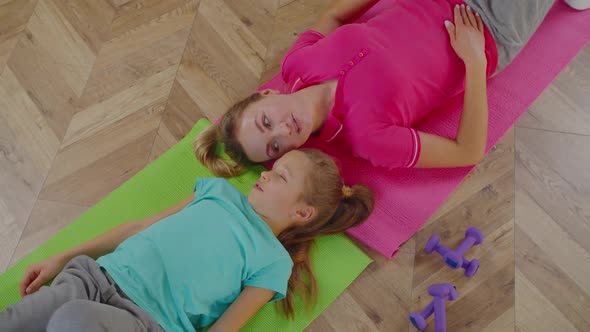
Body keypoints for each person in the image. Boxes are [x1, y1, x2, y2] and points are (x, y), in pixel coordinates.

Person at [194, 0, 590, 177]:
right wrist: (473, 62)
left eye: (266, 123)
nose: (282, 132)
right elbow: (467, 152)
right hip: (489, 27)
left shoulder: (296, 65)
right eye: (275, 147)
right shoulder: (368, 140)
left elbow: (332, 13)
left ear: (267, 95)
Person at [0, 149, 374, 332]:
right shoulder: (216, 191)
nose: (265, 174)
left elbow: (225, 328)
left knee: (72, 321)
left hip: (144, 320)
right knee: (15, 320)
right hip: (95, 278)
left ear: (302, 212)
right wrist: (61, 258)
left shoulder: (274, 262)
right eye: (273, 169)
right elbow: (140, 226)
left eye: (281, 177)